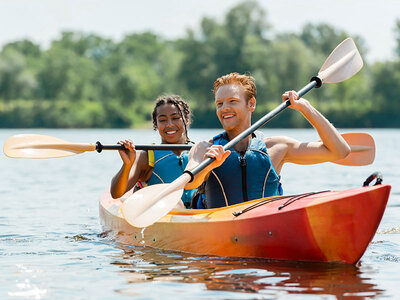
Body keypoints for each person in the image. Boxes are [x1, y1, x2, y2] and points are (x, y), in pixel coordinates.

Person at [185, 72, 350, 209]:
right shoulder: (204, 148)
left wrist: (305, 108)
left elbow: (340, 151)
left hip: (267, 227)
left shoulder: (277, 147)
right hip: (221, 229)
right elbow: (189, 184)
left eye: (232, 101)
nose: (224, 108)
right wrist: (208, 167)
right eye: (219, 104)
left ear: (251, 104)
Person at [110, 95, 195, 208]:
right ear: (156, 124)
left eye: (175, 118)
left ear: (186, 120)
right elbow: (116, 194)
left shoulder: (198, 152)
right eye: (162, 120)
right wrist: (127, 165)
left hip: (194, 213)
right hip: (161, 214)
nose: (169, 124)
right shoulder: (146, 157)